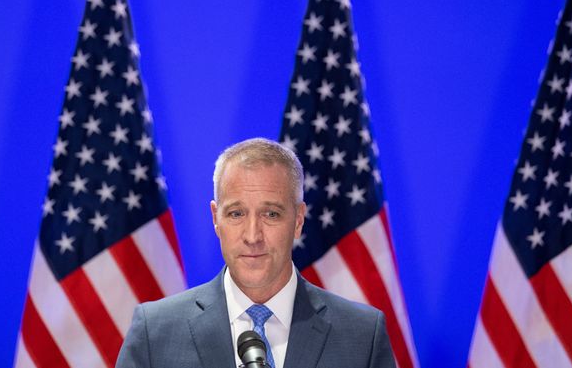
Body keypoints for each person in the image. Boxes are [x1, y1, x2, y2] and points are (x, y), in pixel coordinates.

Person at [116, 138, 396, 368]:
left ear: (298, 220)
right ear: (216, 218)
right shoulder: (155, 333)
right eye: (236, 213)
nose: (252, 236)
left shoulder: (362, 337)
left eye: (271, 214)